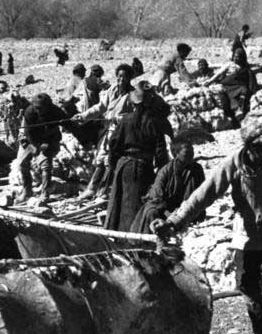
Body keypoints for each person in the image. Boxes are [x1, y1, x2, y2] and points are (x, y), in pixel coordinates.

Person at [152, 113, 262, 334]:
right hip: (247, 237)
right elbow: (202, 195)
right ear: (251, 145)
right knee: (247, 286)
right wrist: (174, 221)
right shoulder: (234, 163)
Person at [104, 81, 169, 231]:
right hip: (143, 167)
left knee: (120, 202)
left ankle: (119, 235)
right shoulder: (155, 123)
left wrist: (113, 166)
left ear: (134, 103)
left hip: (124, 165)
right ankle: (134, 235)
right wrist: (160, 173)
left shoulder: (126, 120)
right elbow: (161, 153)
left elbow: (113, 145)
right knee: (136, 203)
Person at [71, 63, 137, 199]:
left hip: (123, 133)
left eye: (124, 77)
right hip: (109, 131)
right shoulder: (112, 90)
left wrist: (119, 119)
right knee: (100, 158)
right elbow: (100, 107)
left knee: (109, 160)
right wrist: (83, 116)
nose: (121, 80)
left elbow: (136, 116)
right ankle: (92, 188)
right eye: (119, 77)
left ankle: (103, 191)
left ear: (129, 78)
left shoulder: (133, 95)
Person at [130, 140, 205, 234]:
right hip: (165, 209)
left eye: (192, 151)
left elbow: (202, 191)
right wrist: (171, 216)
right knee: (152, 212)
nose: (191, 155)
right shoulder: (165, 171)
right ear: (176, 154)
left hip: (188, 207)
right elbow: (157, 199)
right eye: (187, 153)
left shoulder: (197, 169)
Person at [16, 93, 65, 204]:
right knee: (22, 163)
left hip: (48, 140)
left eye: (41, 108)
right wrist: (37, 147)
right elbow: (29, 134)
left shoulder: (56, 111)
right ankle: (27, 191)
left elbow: (69, 123)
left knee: (45, 166)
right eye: (37, 108)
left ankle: (45, 194)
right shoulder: (29, 112)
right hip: (30, 139)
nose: (39, 111)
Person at [204, 48, 257, 125]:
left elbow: (249, 77)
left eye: (238, 57)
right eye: (234, 56)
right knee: (229, 96)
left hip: (238, 85)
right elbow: (218, 74)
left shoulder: (245, 67)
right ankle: (236, 111)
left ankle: (240, 109)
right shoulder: (229, 65)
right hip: (228, 85)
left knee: (244, 90)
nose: (236, 58)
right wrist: (210, 81)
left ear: (242, 58)